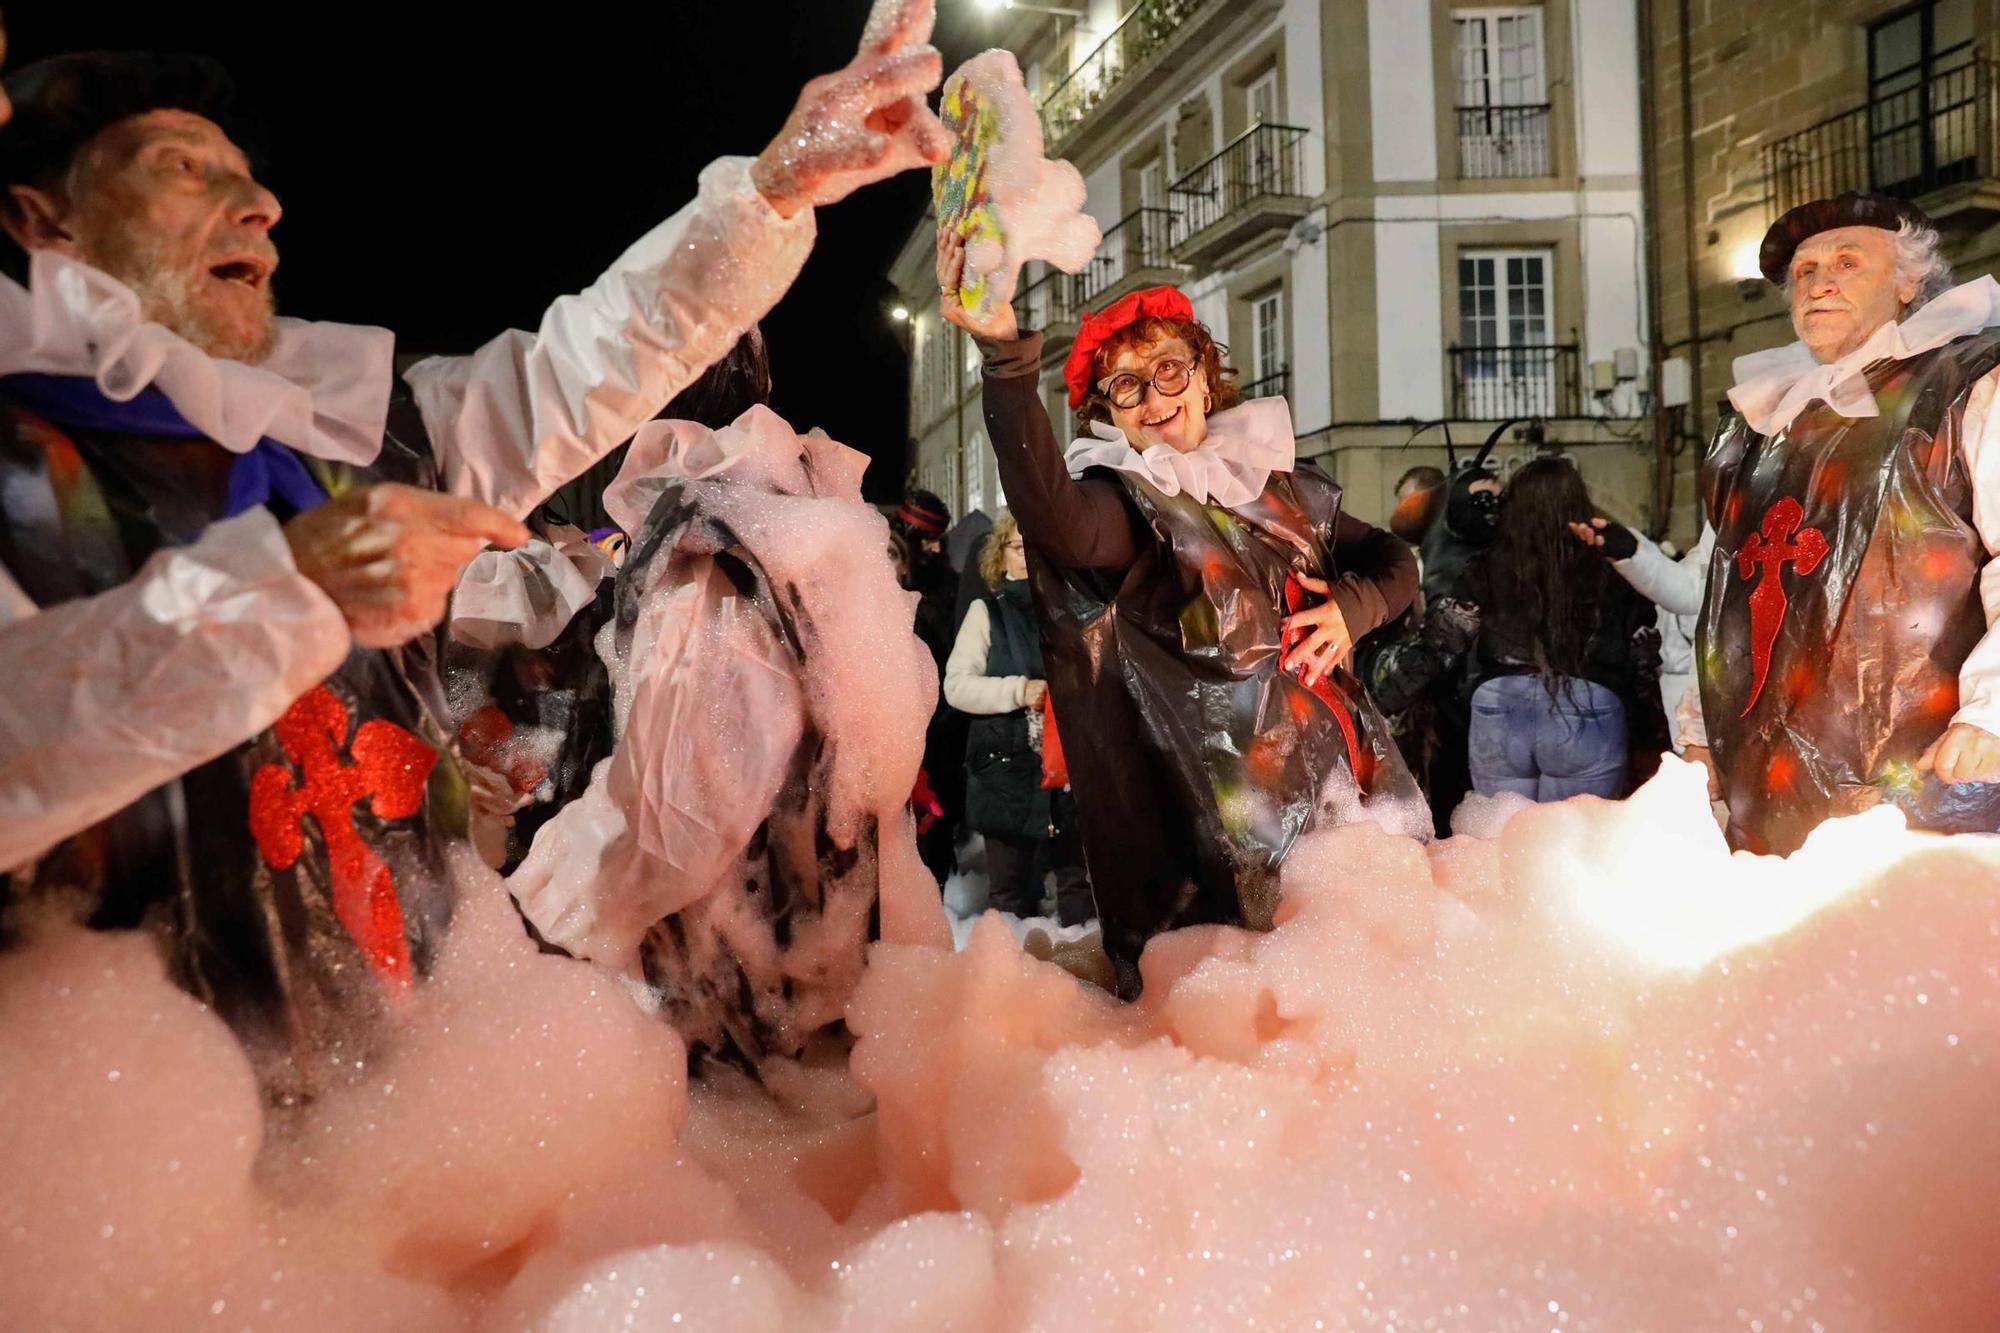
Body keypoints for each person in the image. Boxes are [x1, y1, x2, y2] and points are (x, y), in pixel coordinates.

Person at [0, 11, 949, 1091]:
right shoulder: (21, 461)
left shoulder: (370, 428)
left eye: (246, 172)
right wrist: (281, 593)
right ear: (44, 218)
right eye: (180, 167)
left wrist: (768, 192)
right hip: (144, 1141)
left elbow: (585, 357)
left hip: (409, 1104)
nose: (258, 205)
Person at [938, 231, 1421, 993]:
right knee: (1260, 1017)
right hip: (1227, 833)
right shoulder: (1126, 507)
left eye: (1168, 369)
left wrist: (1352, 610)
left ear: (1204, 380)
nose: (1155, 396)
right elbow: (1055, 518)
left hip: (1344, 799)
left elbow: (1399, 562)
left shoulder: (1281, 486)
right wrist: (1005, 359)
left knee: (1372, 996)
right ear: (1110, 414)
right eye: (1127, 386)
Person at [1583, 193, 2000, 853]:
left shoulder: (1969, 383)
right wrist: (1699, 729)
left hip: (1915, 781)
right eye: (1804, 272)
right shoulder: (1761, 422)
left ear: (1909, 281)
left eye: (1846, 261)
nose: (1819, 282)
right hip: (1762, 783)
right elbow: (1728, 594)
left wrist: (1990, 712)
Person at [944, 513, 1091, 924]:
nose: (1026, 555)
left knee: (1077, 886)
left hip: (1067, 773)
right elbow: (956, 686)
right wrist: (1017, 690)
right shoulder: (985, 612)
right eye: (1015, 546)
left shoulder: (1072, 613)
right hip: (1007, 771)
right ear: (1000, 556)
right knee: (1011, 891)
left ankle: (1081, 979)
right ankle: (1009, 980)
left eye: (1034, 546)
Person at [896, 485, 970, 881]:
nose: (938, 549)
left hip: (939, 731)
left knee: (934, 838)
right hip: (893, 729)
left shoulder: (948, 590)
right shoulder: (882, 588)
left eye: (939, 538)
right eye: (927, 539)